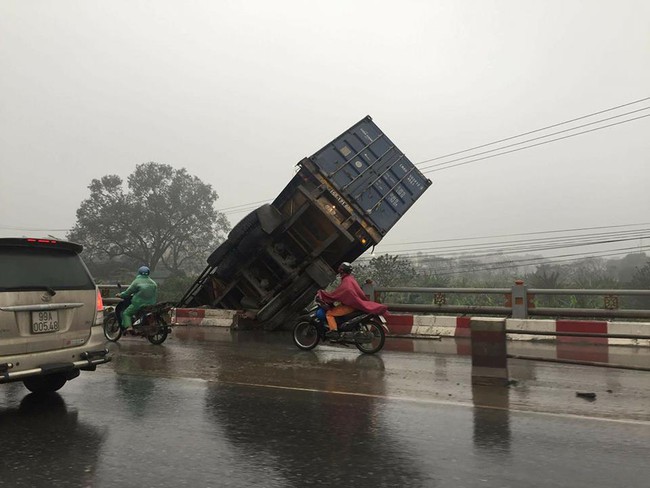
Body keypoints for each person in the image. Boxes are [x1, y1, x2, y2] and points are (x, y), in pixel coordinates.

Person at [317, 262, 388, 338]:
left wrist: (324, 294)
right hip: (354, 305)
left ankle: (334, 331)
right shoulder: (351, 279)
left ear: (342, 271)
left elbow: (337, 294)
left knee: (329, 313)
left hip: (349, 306)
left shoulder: (346, 282)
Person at [116, 266, 158, 330]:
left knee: (126, 313)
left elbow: (128, 292)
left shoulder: (136, 282)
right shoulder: (153, 283)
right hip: (151, 304)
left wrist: (120, 295)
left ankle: (129, 327)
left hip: (138, 304)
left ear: (139, 272)